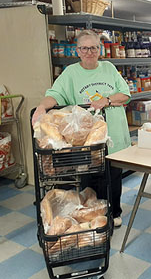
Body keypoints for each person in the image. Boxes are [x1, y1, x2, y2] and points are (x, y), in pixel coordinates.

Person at [32, 30, 131, 227]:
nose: (89, 52)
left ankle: (115, 212)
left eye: (93, 47)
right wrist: (42, 106)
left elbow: (126, 95)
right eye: (84, 48)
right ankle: (94, 218)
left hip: (115, 136)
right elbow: (55, 94)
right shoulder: (70, 73)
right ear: (77, 51)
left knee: (113, 177)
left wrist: (107, 100)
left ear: (99, 49)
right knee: (90, 179)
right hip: (87, 140)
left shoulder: (109, 68)